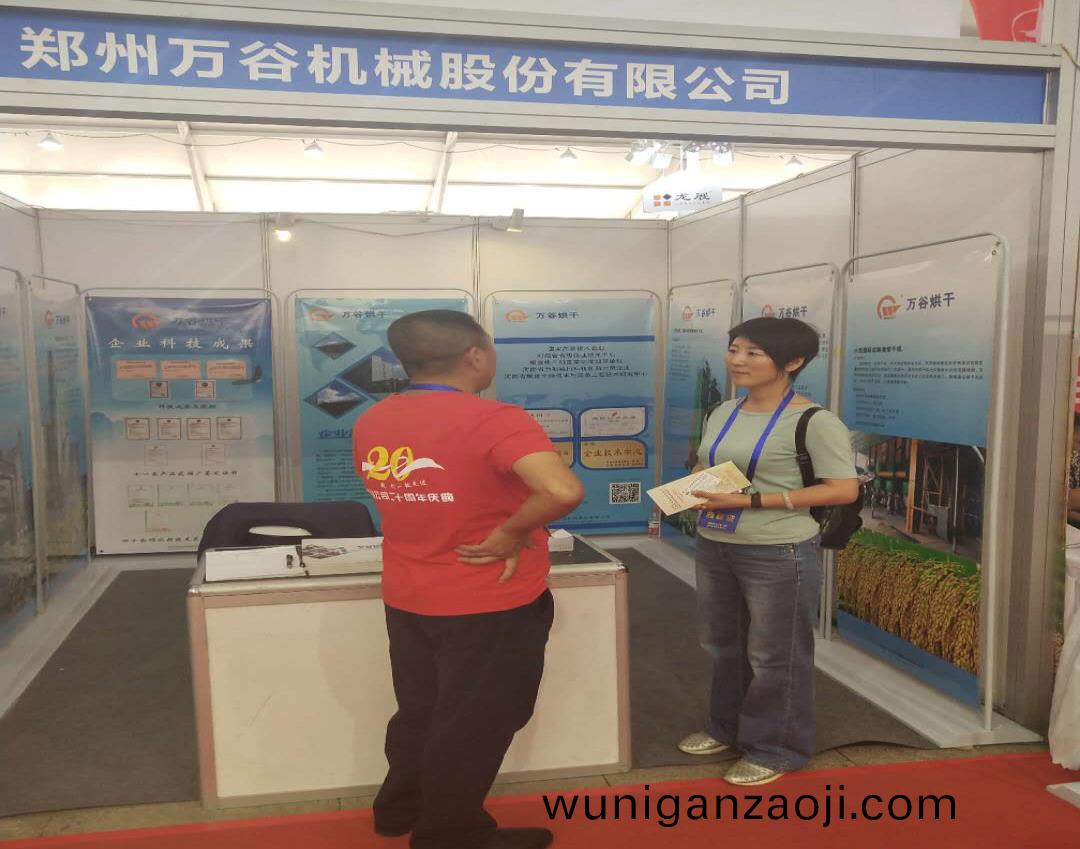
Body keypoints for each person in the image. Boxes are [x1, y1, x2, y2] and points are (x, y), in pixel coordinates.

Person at [352, 310, 585, 849]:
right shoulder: (495, 419)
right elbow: (562, 490)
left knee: (422, 709)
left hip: (408, 593)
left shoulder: (374, 419)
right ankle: (450, 834)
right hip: (487, 600)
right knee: (476, 722)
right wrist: (511, 532)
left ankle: (400, 808)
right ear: (475, 356)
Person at [677, 316, 858, 787]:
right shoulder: (724, 410)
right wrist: (689, 490)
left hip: (778, 550)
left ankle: (775, 749)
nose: (737, 360)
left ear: (792, 361)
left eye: (753, 353)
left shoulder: (814, 421)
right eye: (734, 349)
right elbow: (707, 463)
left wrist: (751, 501)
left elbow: (842, 489)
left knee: (775, 655)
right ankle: (726, 728)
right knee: (722, 645)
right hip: (716, 542)